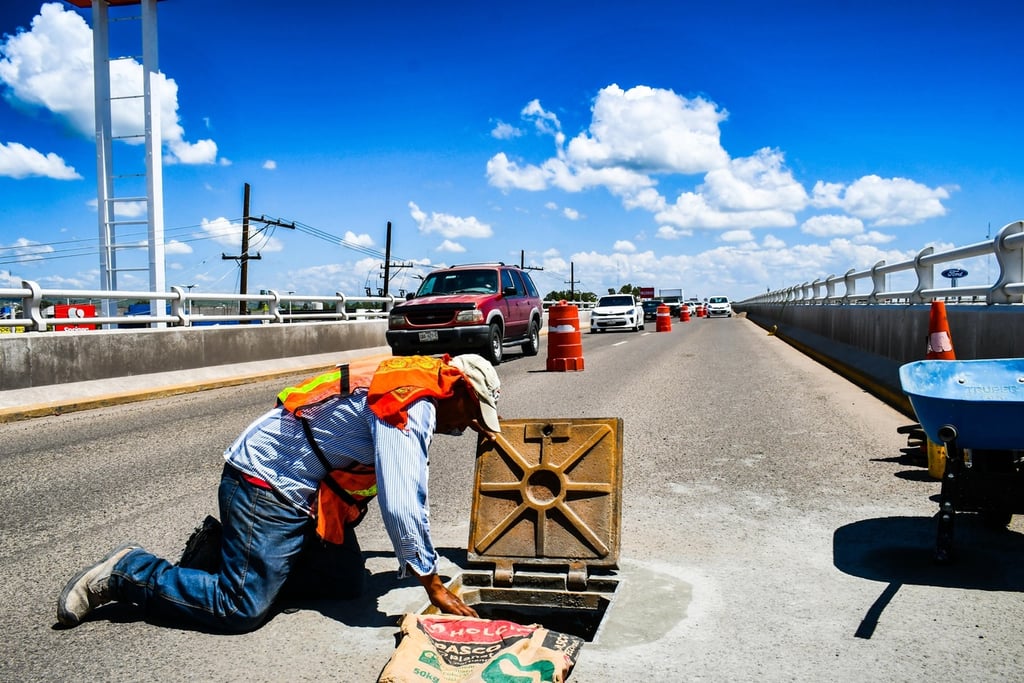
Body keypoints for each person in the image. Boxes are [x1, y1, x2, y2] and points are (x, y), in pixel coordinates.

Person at [57, 353, 501, 632]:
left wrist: (475, 424)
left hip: (303, 493)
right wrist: (433, 584)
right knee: (241, 609)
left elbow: (402, 467)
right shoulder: (413, 402)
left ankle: (234, 557)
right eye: (472, 412)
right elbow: (403, 505)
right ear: (457, 389)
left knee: (347, 583)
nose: (466, 425)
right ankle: (129, 572)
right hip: (265, 485)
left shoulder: (419, 380)